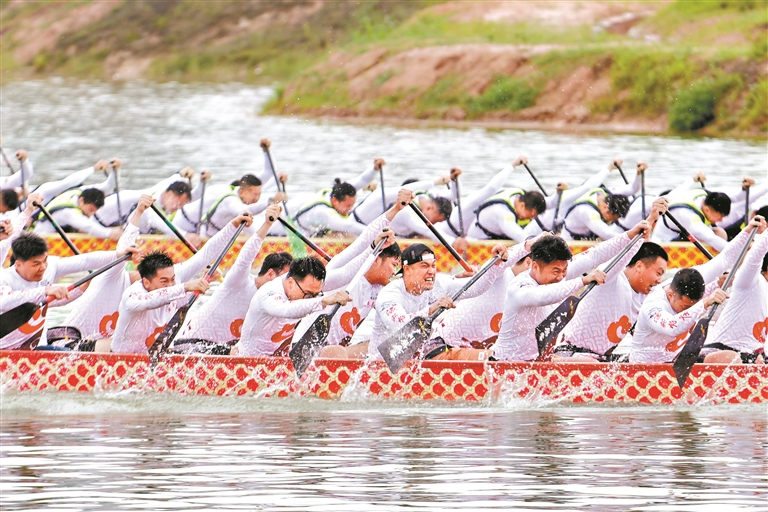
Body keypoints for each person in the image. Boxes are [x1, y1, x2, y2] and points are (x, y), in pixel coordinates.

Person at [493, 222, 653, 362]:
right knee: (592, 365)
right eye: (556, 271)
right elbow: (543, 296)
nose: (560, 276)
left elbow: (594, 255)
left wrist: (631, 236)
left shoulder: (558, 276)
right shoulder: (519, 287)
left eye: (564, 270)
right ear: (535, 266)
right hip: (507, 363)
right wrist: (582, 281)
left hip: (538, 364)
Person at [110, 211, 254, 354]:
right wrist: (185, 286)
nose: (170, 284)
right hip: (120, 360)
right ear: (146, 282)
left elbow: (204, 255)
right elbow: (152, 300)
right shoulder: (132, 295)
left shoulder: (173, 278)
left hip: (153, 358)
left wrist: (233, 225)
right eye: (164, 281)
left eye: (172, 279)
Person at [627, 216, 766, 364]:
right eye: (685, 306)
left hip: (679, 361)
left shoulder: (690, 278)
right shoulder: (653, 306)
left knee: (730, 358)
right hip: (647, 367)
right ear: (670, 294)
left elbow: (724, 259)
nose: (688, 309)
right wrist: (704, 303)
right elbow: (672, 327)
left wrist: (747, 232)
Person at [553, 199, 669, 361]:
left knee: (655, 359)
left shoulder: (647, 295)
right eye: (658, 273)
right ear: (639, 266)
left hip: (603, 360)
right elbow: (622, 253)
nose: (659, 280)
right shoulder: (612, 276)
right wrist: (650, 219)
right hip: (570, 354)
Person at [173, 204, 289, 353]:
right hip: (193, 345)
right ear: (271, 274)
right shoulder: (240, 281)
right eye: (284, 279)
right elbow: (246, 257)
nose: (285, 287)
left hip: (223, 351)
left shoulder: (274, 301)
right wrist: (267, 224)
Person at [368, 242, 509, 362]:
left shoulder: (439, 284)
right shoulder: (389, 294)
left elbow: (478, 287)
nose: (431, 271)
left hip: (414, 361)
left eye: (433, 265)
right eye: (424, 266)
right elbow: (397, 325)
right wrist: (432, 309)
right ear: (407, 269)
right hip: (383, 364)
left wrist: (495, 263)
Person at [52, 195, 154, 348]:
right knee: (124, 345)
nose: (163, 288)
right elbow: (124, 246)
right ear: (146, 278)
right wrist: (139, 211)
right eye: (162, 281)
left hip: (95, 349)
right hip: (68, 345)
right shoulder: (113, 275)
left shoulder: (148, 298)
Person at [0, 231, 126, 350]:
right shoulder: (4, 278)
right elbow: (4, 302)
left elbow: (85, 261)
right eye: (36, 264)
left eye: (45, 260)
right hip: (3, 348)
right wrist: (44, 291)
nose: (43, 267)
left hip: (29, 349)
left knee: (69, 355)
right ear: (18, 264)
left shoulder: (51, 266)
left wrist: (119, 255)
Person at [430, 240, 537, 351]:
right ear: (529, 263)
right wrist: (525, 246)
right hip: (444, 347)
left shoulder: (529, 294)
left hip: (476, 351)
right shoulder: (501, 274)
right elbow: (497, 265)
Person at [238, 257, 352, 357]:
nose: (310, 299)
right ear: (290, 283)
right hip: (247, 364)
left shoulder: (303, 284)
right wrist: (323, 301)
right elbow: (286, 309)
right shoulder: (268, 293)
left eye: (315, 295)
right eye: (308, 294)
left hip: (280, 360)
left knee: (335, 352)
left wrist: (365, 246)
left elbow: (345, 274)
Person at [702, 227, 768, 363]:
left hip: (752, 357)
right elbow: (755, 256)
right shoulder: (750, 281)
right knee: (733, 358)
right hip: (721, 353)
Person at [173, 173, 286, 244]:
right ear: (242, 192)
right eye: (254, 195)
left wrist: (276, 178)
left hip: (201, 228)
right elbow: (246, 211)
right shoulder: (230, 201)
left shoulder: (237, 192)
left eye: (259, 195)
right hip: (183, 225)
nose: (256, 199)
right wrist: (270, 202)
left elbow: (267, 173)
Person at [93, 165, 200, 234]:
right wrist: (185, 235)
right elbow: (159, 222)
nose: (178, 208)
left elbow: (168, 182)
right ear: (171, 194)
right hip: (96, 222)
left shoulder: (161, 192)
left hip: (117, 223)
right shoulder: (149, 201)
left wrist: (181, 174)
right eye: (179, 203)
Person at [652, 175, 748, 252]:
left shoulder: (706, 196)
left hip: (681, 235)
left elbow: (735, 198)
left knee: (720, 233)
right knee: (715, 238)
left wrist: (744, 189)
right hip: (664, 243)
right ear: (707, 210)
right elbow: (711, 238)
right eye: (720, 217)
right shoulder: (689, 216)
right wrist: (739, 254)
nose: (721, 220)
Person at [390, 192, 468, 254]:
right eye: (434, 221)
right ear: (430, 208)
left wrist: (453, 180)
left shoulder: (427, 200)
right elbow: (427, 230)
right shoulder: (408, 211)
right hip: (390, 244)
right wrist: (453, 241)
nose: (433, 223)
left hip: (402, 238)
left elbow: (455, 194)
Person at [34, 187, 123, 239]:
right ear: (81, 200)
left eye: (94, 211)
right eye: (91, 210)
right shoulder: (68, 212)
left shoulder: (77, 194)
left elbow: (105, 186)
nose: (91, 214)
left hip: (57, 234)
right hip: (43, 238)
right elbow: (87, 226)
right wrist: (110, 233)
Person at [468, 187, 547, 242]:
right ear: (522, 206)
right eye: (532, 215)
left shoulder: (519, 196)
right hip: (477, 241)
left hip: (497, 237)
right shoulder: (503, 212)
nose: (530, 219)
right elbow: (520, 236)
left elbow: (549, 203)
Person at [293, 179, 367, 237]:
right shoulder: (323, 212)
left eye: (352, 205)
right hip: (296, 237)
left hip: (313, 232)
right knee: (346, 235)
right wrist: (371, 232)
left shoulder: (333, 193)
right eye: (348, 205)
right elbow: (348, 226)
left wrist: (373, 169)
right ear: (335, 200)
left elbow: (362, 179)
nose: (350, 209)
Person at [561, 188, 630, 241]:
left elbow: (631, 189)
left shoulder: (605, 196)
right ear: (606, 208)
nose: (611, 221)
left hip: (589, 236)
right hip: (571, 241)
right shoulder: (588, 211)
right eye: (613, 218)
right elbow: (606, 233)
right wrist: (629, 238)